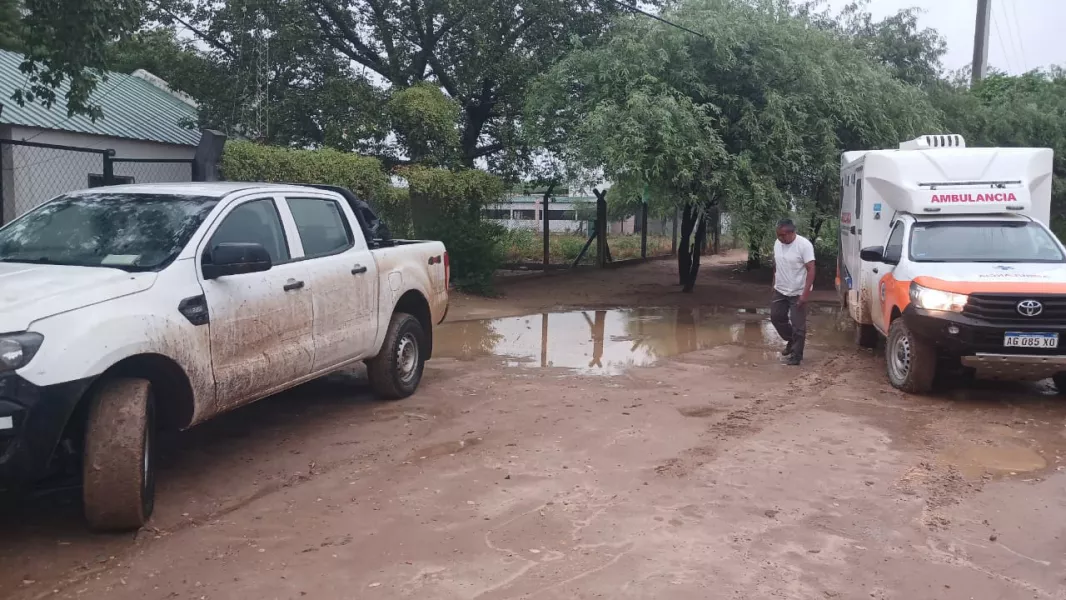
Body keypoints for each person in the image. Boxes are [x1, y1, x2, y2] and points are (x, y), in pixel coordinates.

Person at [771, 219, 815, 366]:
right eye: (778, 235)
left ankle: (796, 356)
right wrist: (774, 283)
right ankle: (791, 340)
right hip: (780, 289)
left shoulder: (804, 245)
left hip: (797, 292)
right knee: (776, 317)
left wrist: (805, 295)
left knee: (798, 326)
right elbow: (776, 265)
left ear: (791, 233)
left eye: (782, 235)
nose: (779, 238)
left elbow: (811, 269)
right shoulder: (777, 243)